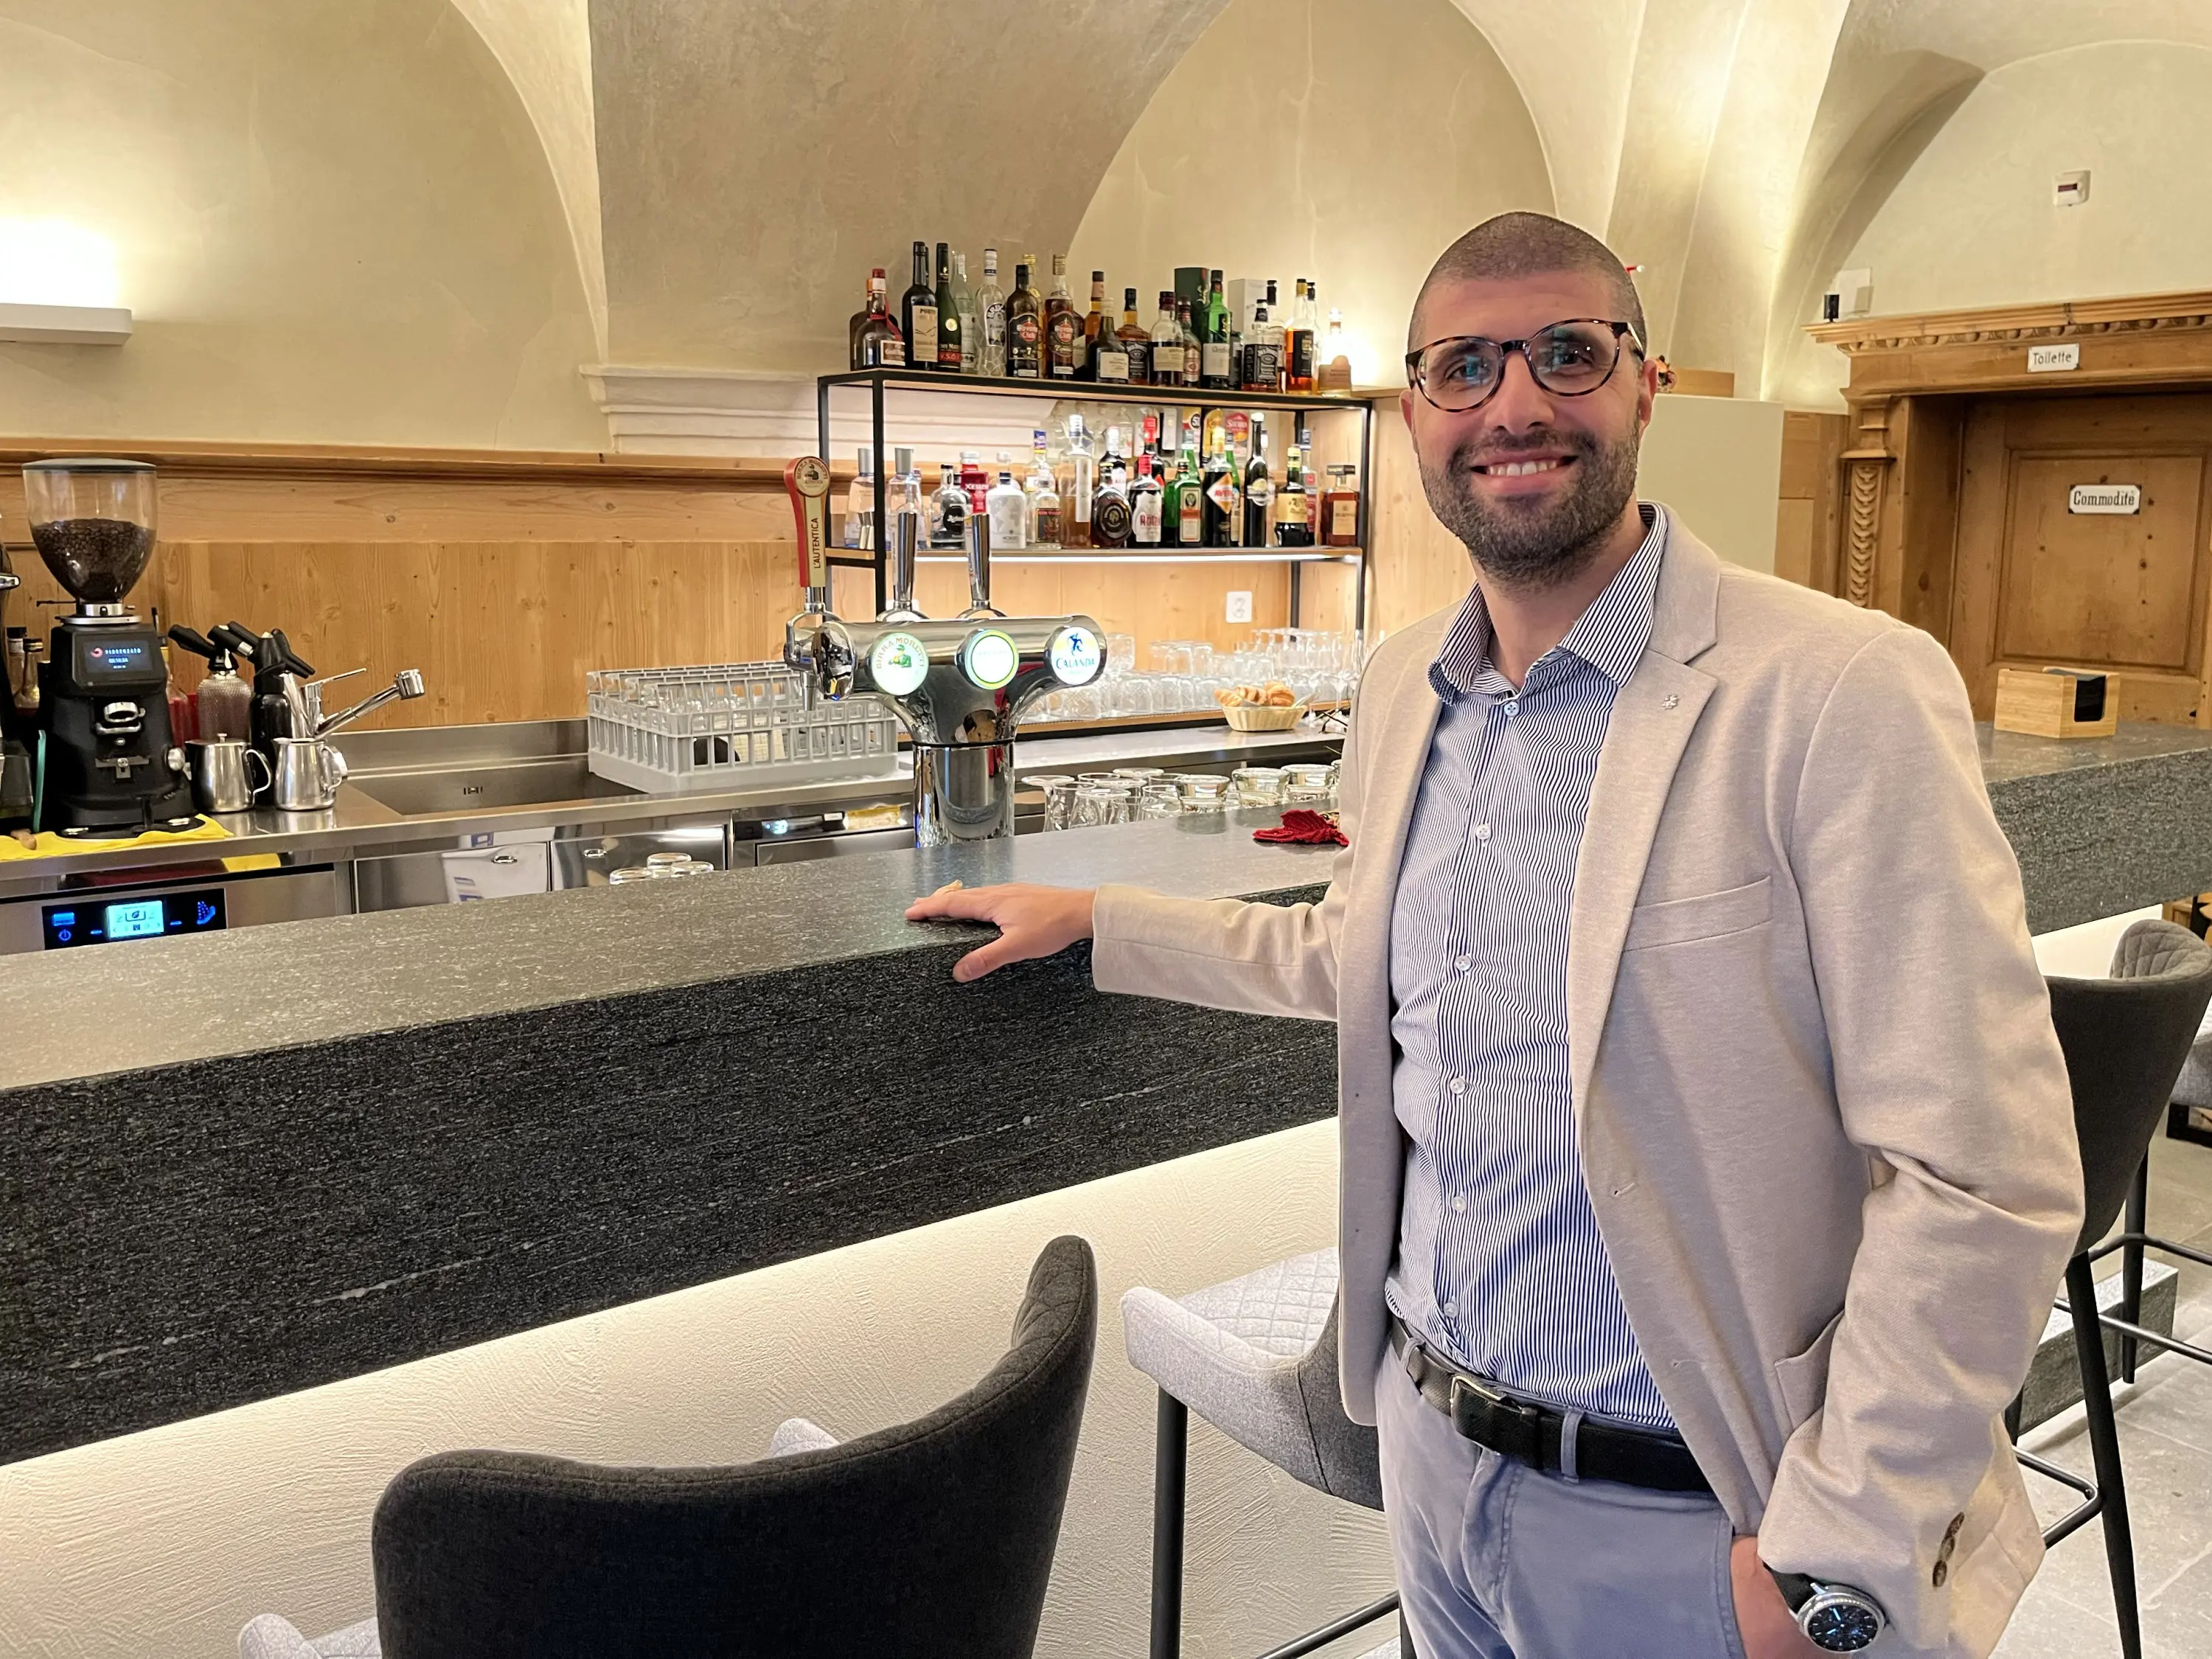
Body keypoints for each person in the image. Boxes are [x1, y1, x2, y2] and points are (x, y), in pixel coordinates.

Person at [905, 212, 2081, 1659]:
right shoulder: (1407, 683)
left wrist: (1835, 1554)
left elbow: (1986, 1172)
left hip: (1697, 1514)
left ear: (1644, 385)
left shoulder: (1841, 691)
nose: (1514, 403)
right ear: (1414, 415)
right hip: (1436, 1458)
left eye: (1566, 353)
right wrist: (1101, 922)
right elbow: (1361, 957)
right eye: (1465, 367)